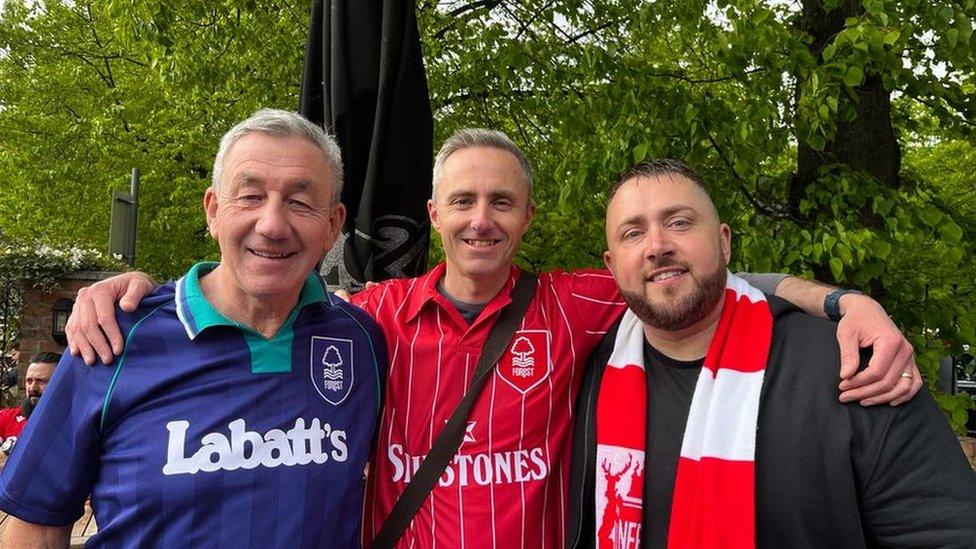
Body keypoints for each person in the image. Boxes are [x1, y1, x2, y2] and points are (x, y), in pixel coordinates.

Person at [64, 130, 920, 548]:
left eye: (502, 202)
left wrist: (846, 300)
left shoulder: (578, 301)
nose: (482, 220)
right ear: (434, 216)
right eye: (464, 202)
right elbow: (262, 279)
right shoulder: (370, 317)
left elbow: (698, 277)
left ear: (527, 218)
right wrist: (136, 291)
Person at [0, 109, 387, 548]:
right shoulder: (110, 336)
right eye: (250, 196)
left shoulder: (361, 341)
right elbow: (36, 523)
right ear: (213, 211)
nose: (273, 225)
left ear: (333, 226)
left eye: (300, 202)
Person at [567, 159, 976, 548]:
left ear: (724, 242)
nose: (657, 246)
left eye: (679, 222)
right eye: (632, 233)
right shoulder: (584, 370)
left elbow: (946, 532)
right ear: (611, 263)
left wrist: (846, 302)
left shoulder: (850, 366)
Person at [0, 351, 60, 468]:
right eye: (29, 381)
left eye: (41, 381)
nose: (32, 388)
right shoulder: (8, 418)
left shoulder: (75, 422)